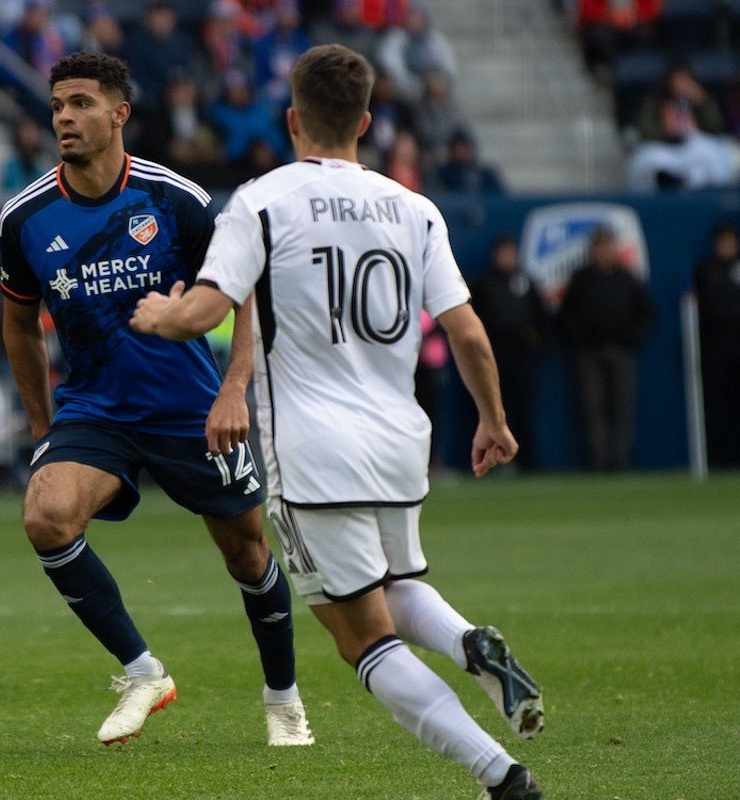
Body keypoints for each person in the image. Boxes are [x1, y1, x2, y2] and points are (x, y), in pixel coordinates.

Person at [130, 45, 544, 800]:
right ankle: (469, 643)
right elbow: (470, 333)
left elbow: (204, 311)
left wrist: (161, 314)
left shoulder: (260, 201)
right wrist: (493, 419)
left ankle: (502, 776)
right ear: (366, 122)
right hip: (398, 442)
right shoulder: (414, 207)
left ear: (292, 120)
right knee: (395, 583)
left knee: (362, 637)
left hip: (313, 450)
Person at [0, 52, 311, 748]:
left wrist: (235, 389)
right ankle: (144, 672)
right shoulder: (26, 218)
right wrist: (44, 426)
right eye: (56, 106)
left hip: (190, 410)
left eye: (80, 103)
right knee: (46, 517)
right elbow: (18, 321)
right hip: (95, 410)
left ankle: (283, 698)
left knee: (247, 554)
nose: (64, 118)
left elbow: (245, 289)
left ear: (119, 114)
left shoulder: (177, 201)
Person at [558, 226, 654, 471]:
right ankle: (599, 459)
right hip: (589, 352)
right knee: (593, 406)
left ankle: (621, 459)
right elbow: (566, 316)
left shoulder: (626, 278)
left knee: (623, 405)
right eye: (598, 246)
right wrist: (580, 340)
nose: (603, 251)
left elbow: (646, 313)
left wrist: (631, 338)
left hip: (621, 350)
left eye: (607, 245)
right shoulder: (581, 279)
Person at [470, 236, 547, 470]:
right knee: (494, 407)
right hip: (494, 354)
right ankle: (494, 461)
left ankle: (527, 460)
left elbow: (541, 316)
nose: (508, 258)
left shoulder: (525, 281)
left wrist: (535, 343)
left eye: (511, 253)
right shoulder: (484, 283)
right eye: (504, 253)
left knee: (524, 408)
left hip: (522, 354)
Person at [693, 222, 740, 469]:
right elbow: (713, 309)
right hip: (718, 349)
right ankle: (720, 461)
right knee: (718, 407)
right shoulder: (707, 270)